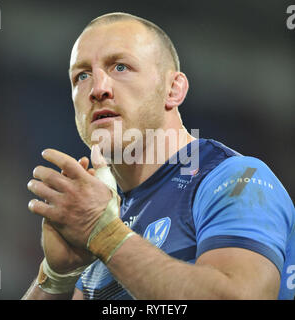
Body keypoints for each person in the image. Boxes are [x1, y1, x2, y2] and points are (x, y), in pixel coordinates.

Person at [22, 12, 295, 300]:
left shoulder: (237, 180)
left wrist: (104, 235)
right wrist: (54, 279)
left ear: (173, 89)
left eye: (120, 67)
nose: (98, 89)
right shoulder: (101, 217)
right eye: (83, 75)